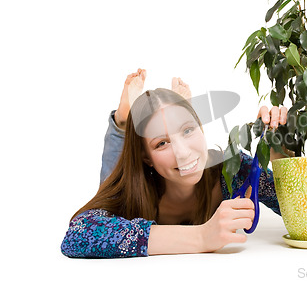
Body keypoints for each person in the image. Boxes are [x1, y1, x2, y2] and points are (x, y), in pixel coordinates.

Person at [61, 69, 288, 258]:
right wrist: (202, 236)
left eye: (188, 129)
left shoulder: (235, 168)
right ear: (146, 157)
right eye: (161, 143)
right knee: (112, 177)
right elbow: (78, 235)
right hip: (135, 177)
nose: (182, 153)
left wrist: (281, 155)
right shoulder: (130, 190)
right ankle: (123, 122)